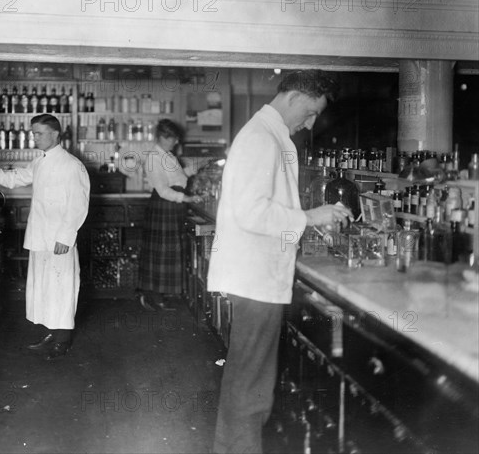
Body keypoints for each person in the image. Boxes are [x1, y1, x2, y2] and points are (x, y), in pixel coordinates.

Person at [207, 70, 351, 453]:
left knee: (249, 382)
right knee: (250, 387)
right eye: (312, 111)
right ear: (294, 96)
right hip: (256, 279)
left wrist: (302, 223)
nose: (312, 122)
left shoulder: (268, 134)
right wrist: (311, 217)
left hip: (258, 276)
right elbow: (252, 214)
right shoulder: (260, 138)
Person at [0, 114, 90, 360]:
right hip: (40, 236)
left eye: (39, 133)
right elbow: (15, 179)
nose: (34, 137)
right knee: (44, 287)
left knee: (62, 288)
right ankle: (52, 334)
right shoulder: (40, 162)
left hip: (60, 240)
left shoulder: (72, 165)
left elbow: (78, 205)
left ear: (55, 134)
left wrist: (66, 236)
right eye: (33, 133)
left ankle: (62, 340)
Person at [137, 119, 201, 311]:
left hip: (172, 207)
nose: (175, 142)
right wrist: (187, 199)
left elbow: (177, 178)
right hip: (164, 205)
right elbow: (163, 190)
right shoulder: (154, 158)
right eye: (171, 138)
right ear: (161, 137)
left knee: (167, 252)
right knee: (161, 253)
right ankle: (152, 297)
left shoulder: (168, 155)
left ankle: (157, 295)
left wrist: (193, 169)